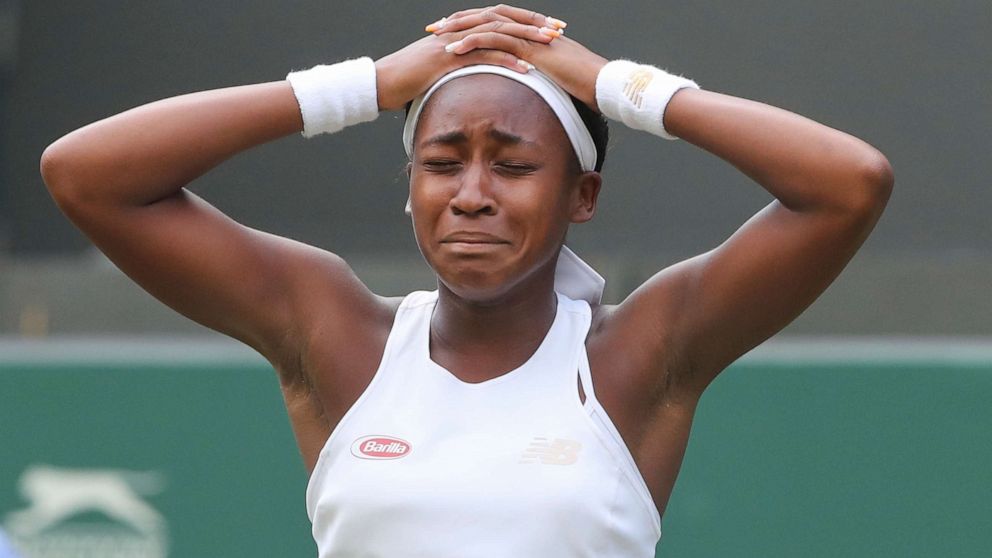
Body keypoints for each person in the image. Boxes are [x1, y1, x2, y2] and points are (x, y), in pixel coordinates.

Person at [40, 5, 892, 556]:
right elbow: (85, 175)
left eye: (514, 165)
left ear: (581, 195)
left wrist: (613, 86)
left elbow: (847, 185)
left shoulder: (638, 355)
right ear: (410, 188)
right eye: (442, 162)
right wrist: (364, 87)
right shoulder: (338, 336)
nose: (472, 195)